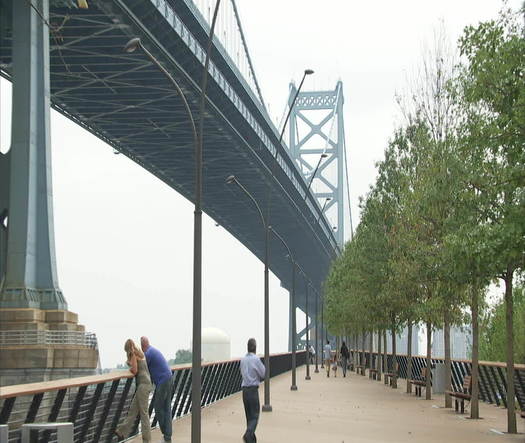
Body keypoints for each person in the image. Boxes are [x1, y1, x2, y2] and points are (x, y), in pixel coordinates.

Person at [115, 339, 152, 442]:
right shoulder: (140, 353)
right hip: (147, 383)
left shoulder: (133, 355)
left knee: (144, 414)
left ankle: (147, 440)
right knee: (133, 410)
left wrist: (129, 367)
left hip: (143, 386)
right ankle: (121, 431)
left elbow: (135, 370)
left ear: (127, 349)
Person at [141, 336, 173, 443]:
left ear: (142, 345)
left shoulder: (148, 354)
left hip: (163, 381)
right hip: (168, 378)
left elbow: (141, 368)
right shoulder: (153, 350)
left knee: (158, 407)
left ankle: (166, 435)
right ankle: (167, 437)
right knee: (166, 408)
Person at [240, 338, 265, 443]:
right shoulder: (256, 359)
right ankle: (248, 434)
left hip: (244, 390)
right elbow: (263, 373)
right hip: (253, 390)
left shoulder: (243, 360)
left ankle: (251, 439)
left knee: (248, 416)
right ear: (255, 348)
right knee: (255, 416)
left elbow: (241, 372)